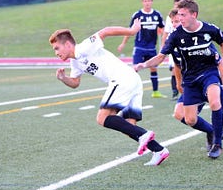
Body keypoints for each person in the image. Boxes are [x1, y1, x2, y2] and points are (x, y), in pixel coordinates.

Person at [48, 19, 169, 166]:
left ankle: (145, 135)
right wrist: (63, 78)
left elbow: (105, 31)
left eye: (57, 48)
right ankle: (159, 150)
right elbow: (75, 83)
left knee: (102, 118)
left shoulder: (83, 47)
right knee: (129, 126)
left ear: (67, 44)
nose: (56, 53)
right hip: (131, 80)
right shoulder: (74, 61)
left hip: (122, 79)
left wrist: (131, 31)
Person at [134, 0, 223, 159]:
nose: (180, 19)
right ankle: (212, 131)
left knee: (215, 102)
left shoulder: (210, 29)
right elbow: (161, 57)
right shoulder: (176, 36)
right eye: (178, 16)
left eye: (183, 15)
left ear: (194, 15)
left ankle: (217, 144)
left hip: (209, 73)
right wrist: (143, 65)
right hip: (190, 79)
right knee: (190, 119)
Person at [117, 0, 165, 98]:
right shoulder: (137, 15)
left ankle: (155, 91)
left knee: (153, 68)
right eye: (145, 1)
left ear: (152, 2)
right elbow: (130, 30)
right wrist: (123, 43)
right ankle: (131, 92)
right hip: (139, 47)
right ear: (142, 2)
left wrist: (163, 39)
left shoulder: (157, 15)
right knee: (135, 69)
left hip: (152, 47)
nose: (147, 3)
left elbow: (162, 28)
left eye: (149, 1)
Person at [161, 0, 184, 100]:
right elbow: (166, 32)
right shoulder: (170, 17)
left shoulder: (186, 19)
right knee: (174, 69)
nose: (174, 24)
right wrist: (163, 47)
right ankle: (176, 91)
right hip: (173, 46)